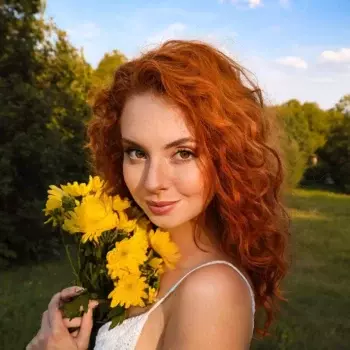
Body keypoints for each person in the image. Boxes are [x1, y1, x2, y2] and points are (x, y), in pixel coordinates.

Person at [27, 39, 291, 350]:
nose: (153, 182)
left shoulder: (212, 291)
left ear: (227, 157)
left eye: (183, 152)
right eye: (136, 152)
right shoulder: (141, 255)